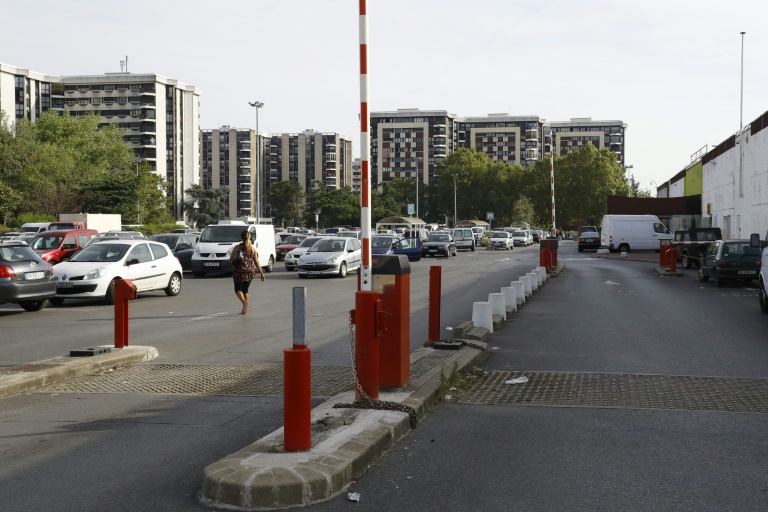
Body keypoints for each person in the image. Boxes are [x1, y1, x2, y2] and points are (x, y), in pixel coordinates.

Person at [230, 230, 265, 315]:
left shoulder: (237, 247)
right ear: (250, 237)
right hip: (249, 271)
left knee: (238, 289)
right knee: (245, 289)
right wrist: (261, 273)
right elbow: (256, 262)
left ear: (241, 238)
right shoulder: (252, 249)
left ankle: (244, 302)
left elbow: (231, 258)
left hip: (238, 271)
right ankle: (245, 305)